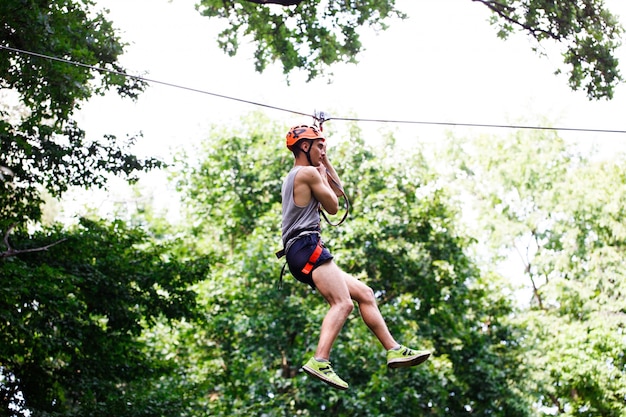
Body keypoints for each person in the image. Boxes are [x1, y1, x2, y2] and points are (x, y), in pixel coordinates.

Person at [278, 124, 430, 390]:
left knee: (365, 294)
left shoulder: (301, 173)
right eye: (319, 147)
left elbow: (337, 191)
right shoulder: (307, 174)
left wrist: (324, 159)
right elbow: (334, 207)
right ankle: (320, 360)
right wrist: (321, 171)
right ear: (305, 146)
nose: (323, 152)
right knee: (343, 303)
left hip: (300, 251)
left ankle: (393, 349)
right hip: (306, 246)